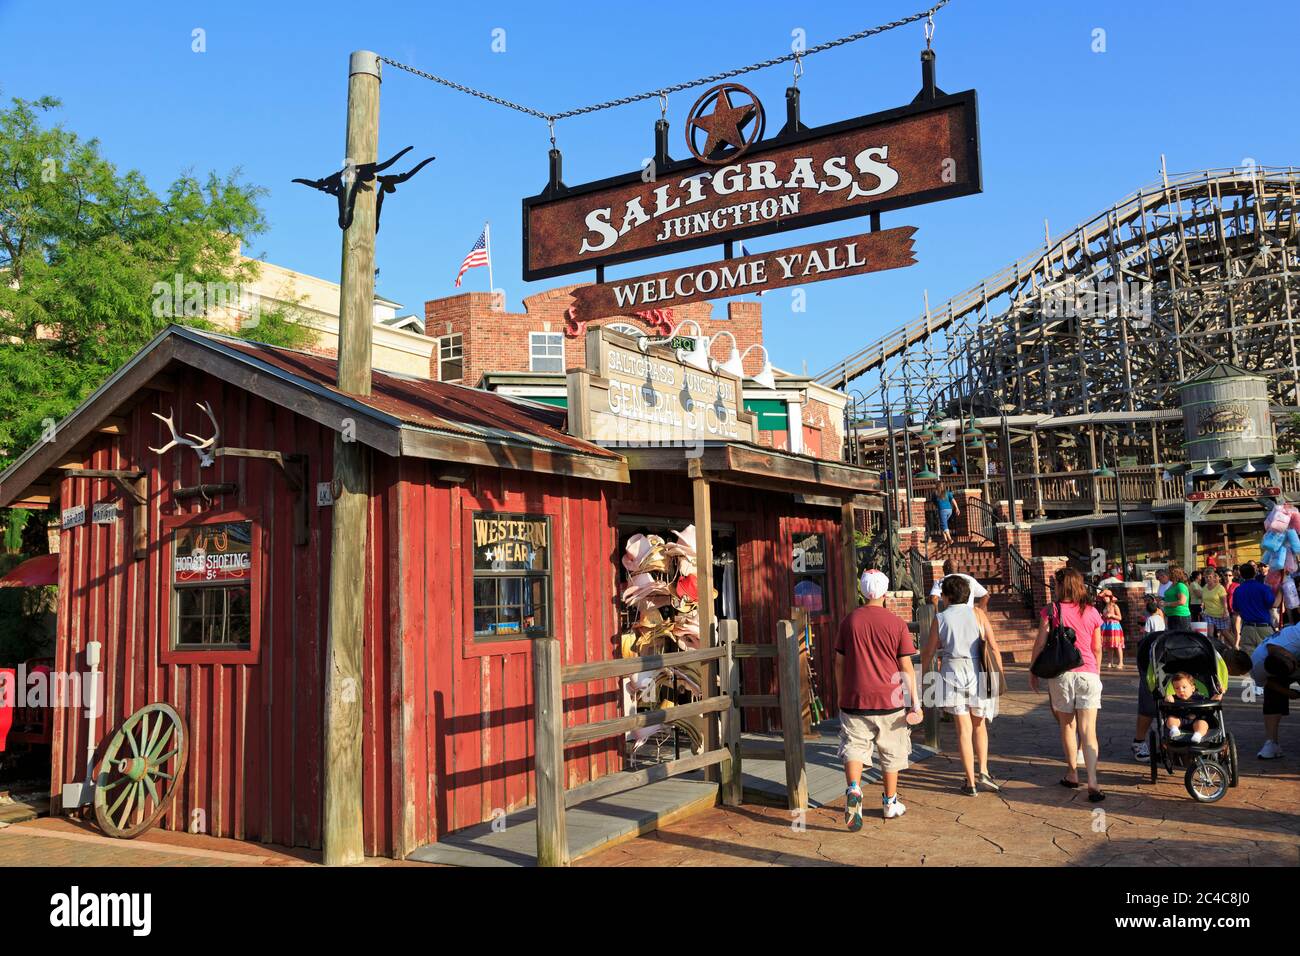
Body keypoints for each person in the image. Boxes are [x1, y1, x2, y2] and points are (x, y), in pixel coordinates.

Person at [834, 569, 922, 828]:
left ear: (862, 592)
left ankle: (854, 788)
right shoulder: (896, 623)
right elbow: (906, 667)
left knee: (854, 746)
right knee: (891, 751)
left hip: (855, 697)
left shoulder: (849, 622)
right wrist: (915, 702)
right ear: (886, 593)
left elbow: (839, 663)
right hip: (890, 700)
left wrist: (840, 693)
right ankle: (890, 802)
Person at [1029, 567, 1105, 801]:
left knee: (1067, 726)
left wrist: (1033, 669)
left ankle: (1072, 773)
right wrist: (1096, 672)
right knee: (1089, 730)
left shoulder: (1051, 610)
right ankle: (1092, 780)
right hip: (1088, 673)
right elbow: (1097, 648)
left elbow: (1040, 643)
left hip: (1062, 674)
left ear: (1061, 586)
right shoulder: (1092, 611)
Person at [922, 575, 1001, 796]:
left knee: (963, 731)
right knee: (979, 725)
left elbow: (929, 651)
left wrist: (923, 676)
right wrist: (999, 675)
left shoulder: (941, 618)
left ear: (947, 596)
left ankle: (970, 782)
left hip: (953, 670)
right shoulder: (978, 613)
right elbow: (993, 646)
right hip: (978, 670)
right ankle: (983, 771)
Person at [1248, 623, 1300, 759]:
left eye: (1292, 665)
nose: (1294, 670)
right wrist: (1288, 693)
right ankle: (1271, 743)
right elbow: (1267, 683)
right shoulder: (1256, 665)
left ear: (1287, 653)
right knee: (1272, 695)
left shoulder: (1296, 636)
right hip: (1280, 668)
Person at [1130, 597, 1166, 760]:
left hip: (1158, 647)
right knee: (1149, 703)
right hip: (1151, 656)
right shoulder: (1159, 618)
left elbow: (1146, 633)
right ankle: (1139, 741)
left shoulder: (1151, 619)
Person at [1232, 563, 1277, 657]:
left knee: (1250, 659)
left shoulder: (1238, 590)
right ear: (1255, 573)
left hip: (1247, 629)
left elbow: (1236, 610)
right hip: (1264, 627)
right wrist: (1280, 591)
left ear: (1241, 575)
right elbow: (1273, 604)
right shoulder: (1263, 588)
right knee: (1268, 658)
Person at [1163, 672, 1218, 744]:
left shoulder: (1200, 697)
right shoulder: (1174, 698)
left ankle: (1198, 735)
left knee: (1203, 724)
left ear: (1192, 688)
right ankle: (1174, 729)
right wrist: (1167, 697)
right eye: (1177, 688)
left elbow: (1211, 701)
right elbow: (1167, 700)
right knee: (1171, 719)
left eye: (1184, 687)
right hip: (1180, 721)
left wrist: (1218, 695)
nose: (1181, 690)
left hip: (1197, 719)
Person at [1201, 568, 1231, 641]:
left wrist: (1225, 612)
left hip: (1220, 614)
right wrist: (1202, 608)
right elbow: (1204, 600)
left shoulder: (1220, 588)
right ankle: (1212, 647)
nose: (1208, 579)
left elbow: (1224, 602)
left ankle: (1236, 647)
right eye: (1206, 577)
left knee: (1225, 633)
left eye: (1210, 577)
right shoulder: (1204, 588)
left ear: (1214, 577)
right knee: (1210, 635)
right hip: (1208, 614)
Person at [1099, 588, 1125, 669]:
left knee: (1118, 645)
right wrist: (1102, 617)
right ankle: (1110, 662)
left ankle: (1121, 662)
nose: (1105, 598)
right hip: (1107, 626)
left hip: (1114, 626)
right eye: (1103, 597)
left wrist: (1112, 615)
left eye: (1106, 596)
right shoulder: (1105, 607)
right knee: (1109, 646)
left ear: (1110, 597)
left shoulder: (1115, 606)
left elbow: (1120, 617)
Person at [930, 479, 959, 546]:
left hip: (942, 510)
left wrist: (936, 506)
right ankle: (945, 539)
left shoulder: (935, 493)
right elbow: (953, 500)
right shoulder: (947, 492)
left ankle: (950, 539)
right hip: (950, 510)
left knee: (944, 525)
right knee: (942, 524)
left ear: (936, 486)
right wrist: (957, 508)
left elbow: (933, 502)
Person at [1162, 565, 1192, 630]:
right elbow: (1171, 597)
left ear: (1173, 574)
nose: (1166, 575)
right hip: (1172, 616)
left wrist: (1166, 604)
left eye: (1168, 573)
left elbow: (1182, 601)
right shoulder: (1172, 585)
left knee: (1180, 636)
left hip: (1180, 616)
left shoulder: (1180, 585)